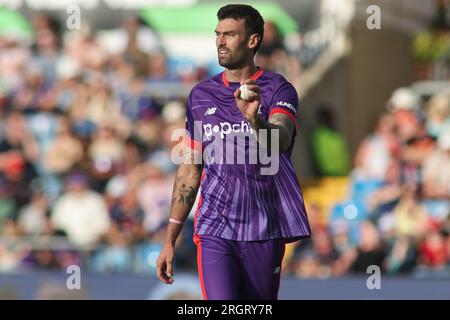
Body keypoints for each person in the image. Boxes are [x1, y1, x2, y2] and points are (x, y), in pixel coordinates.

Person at [156, 4, 311, 300]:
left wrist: (254, 118)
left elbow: (279, 140)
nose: (220, 41)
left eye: (229, 34)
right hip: (215, 228)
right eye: (218, 34)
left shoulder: (278, 89)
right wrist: (170, 239)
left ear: (252, 40)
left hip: (264, 227)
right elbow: (190, 169)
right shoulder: (201, 95)